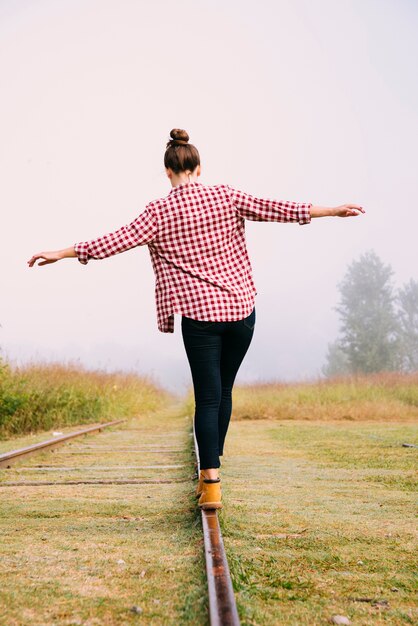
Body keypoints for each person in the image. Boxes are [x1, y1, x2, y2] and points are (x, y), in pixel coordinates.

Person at [28, 128, 365, 510]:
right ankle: (214, 467)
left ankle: (211, 482)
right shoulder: (226, 196)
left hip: (200, 317)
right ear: (199, 168)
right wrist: (332, 211)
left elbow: (112, 242)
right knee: (223, 393)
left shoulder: (157, 212)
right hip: (241, 311)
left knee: (207, 396)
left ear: (168, 172)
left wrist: (61, 252)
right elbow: (281, 209)